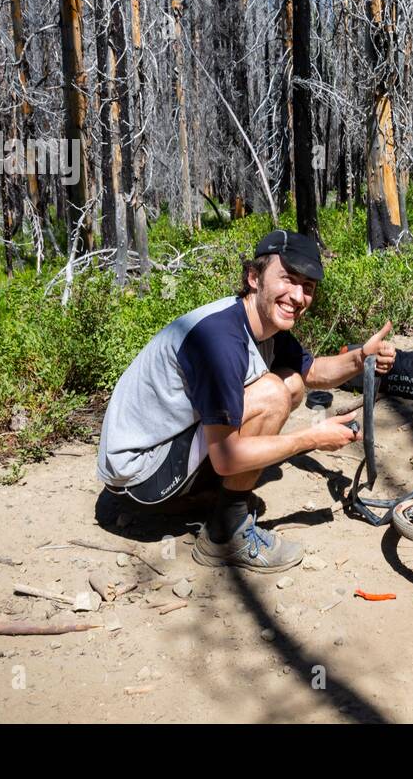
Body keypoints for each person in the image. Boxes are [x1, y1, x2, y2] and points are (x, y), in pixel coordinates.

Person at [97, 229, 396, 573]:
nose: (298, 296)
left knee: (292, 383)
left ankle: (203, 496)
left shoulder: (261, 322)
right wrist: (311, 438)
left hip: (163, 448)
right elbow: (226, 459)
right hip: (139, 474)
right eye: (287, 279)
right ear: (253, 277)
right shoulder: (220, 340)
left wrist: (361, 358)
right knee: (272, 394)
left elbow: (312, 372)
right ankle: (225, 533)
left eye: (308, 287)